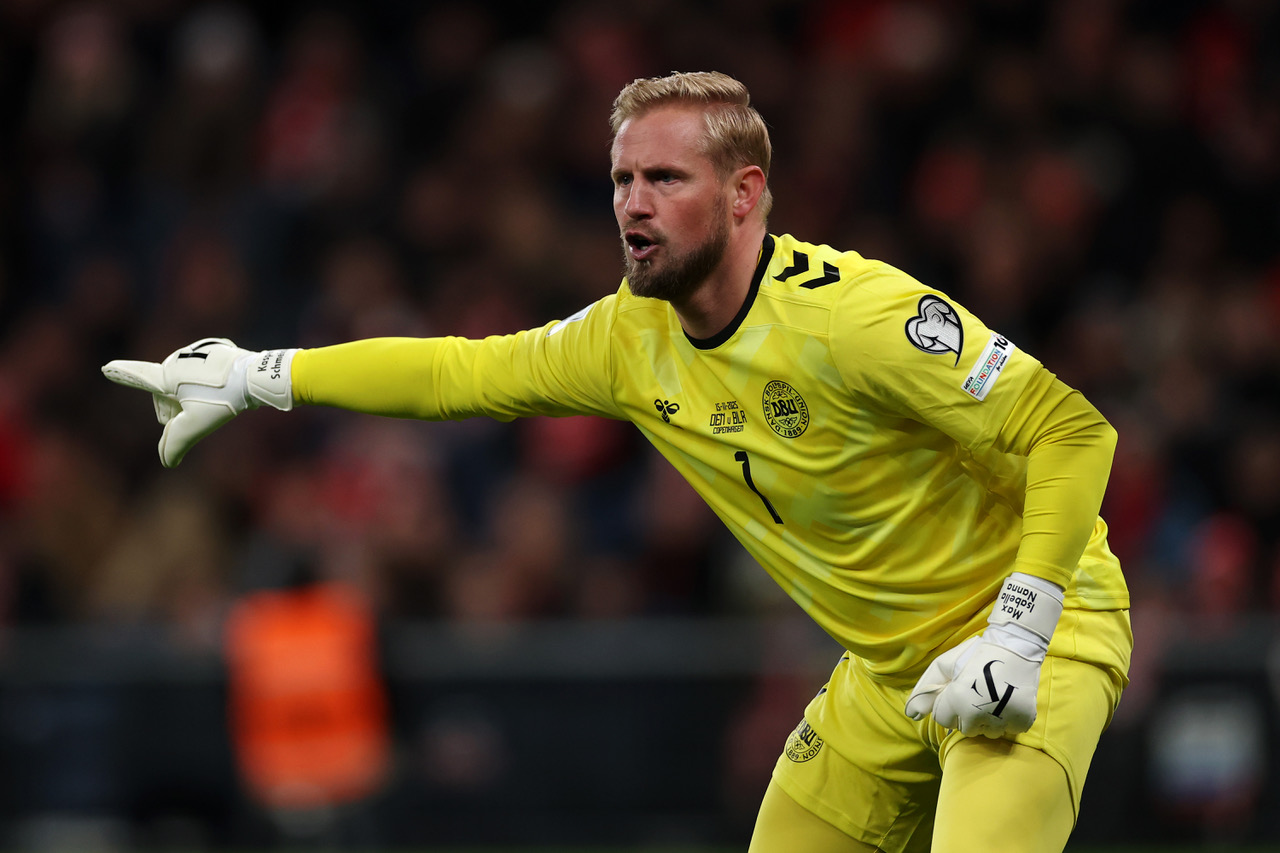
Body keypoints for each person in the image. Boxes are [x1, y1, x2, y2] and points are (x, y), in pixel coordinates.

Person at [103, 71, 1131, 852]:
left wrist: (1018, 630)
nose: (633, 203)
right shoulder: (625, 340)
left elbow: (1073, 430)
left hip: (1036, 627)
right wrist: (260, 374)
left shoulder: (856, 317)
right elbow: (460, 372)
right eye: (622, 180)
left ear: (744, 195)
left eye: (664, 179)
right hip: (886, 672)